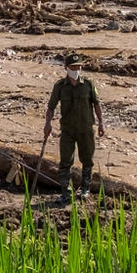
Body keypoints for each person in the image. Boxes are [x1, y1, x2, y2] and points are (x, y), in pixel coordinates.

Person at [41, 52, 106, 203]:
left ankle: (85, 189)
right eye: (73, 67)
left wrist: (101, 122)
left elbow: (96, 104)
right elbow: (51, 108)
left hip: (86, 129)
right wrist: (48, 123)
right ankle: (66, 193)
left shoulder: (88, 84)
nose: (76, 69)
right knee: (65, 162)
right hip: (68, 130)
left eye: (78, 67)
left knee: (87, 160)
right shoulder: (59, 87)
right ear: (66, 68)